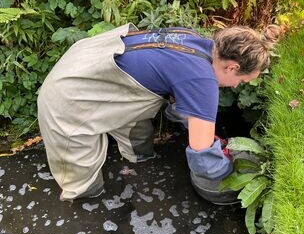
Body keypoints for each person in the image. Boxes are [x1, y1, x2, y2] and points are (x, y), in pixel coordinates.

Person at [37, 23, 281, 202]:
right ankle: (85, 213)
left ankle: (138, 163)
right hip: (68, 96)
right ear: (232, 66)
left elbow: (182, 103)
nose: (238, 86)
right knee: (84, 186)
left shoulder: (197, 42)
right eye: (243, 80)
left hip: (97, 68)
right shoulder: (202, 80)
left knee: (139, 145)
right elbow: (203, 156)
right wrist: (232, 174)